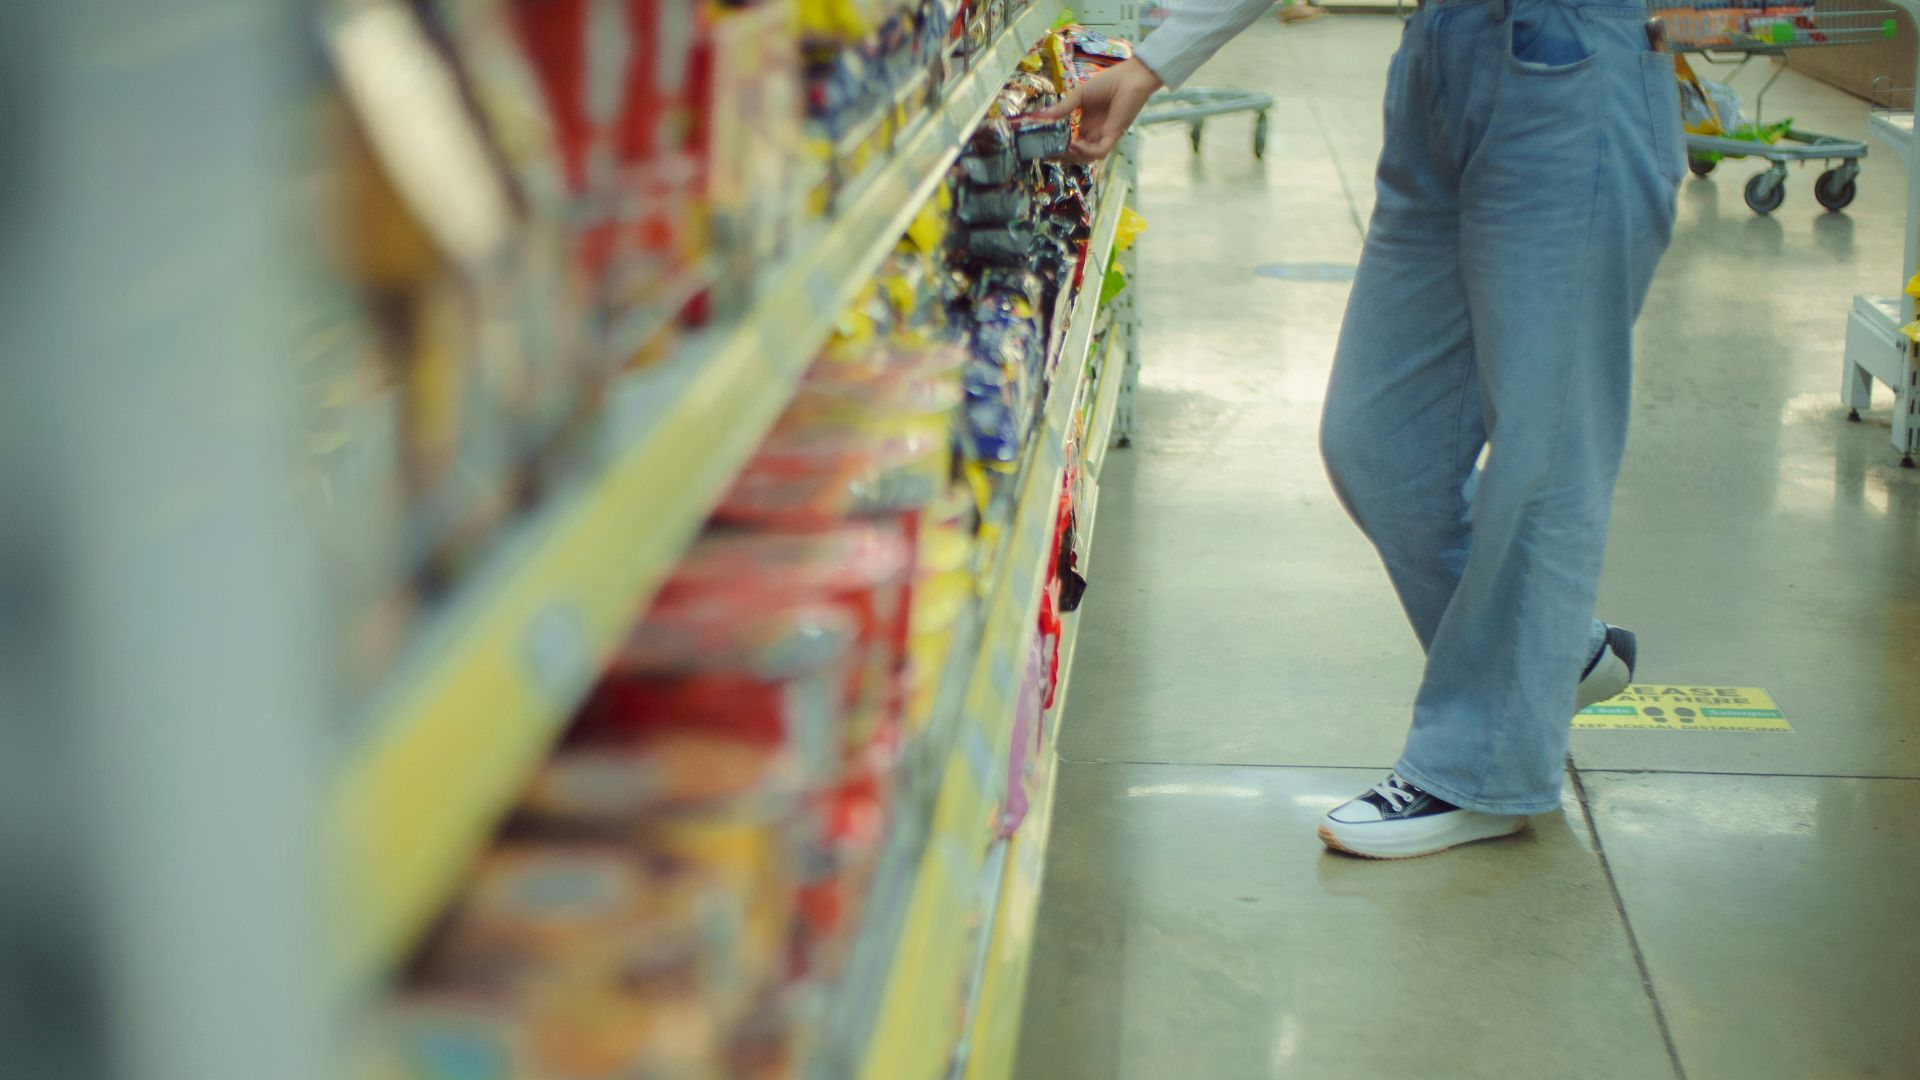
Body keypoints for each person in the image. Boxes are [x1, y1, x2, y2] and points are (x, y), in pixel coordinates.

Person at [1036, 0, 1684, 858]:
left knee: (1548, 444)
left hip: (1566, 64)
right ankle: (1550, 652)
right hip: (1437, 57)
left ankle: (1481, 769)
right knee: (1378, 440)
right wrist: (1158, 62)